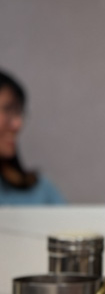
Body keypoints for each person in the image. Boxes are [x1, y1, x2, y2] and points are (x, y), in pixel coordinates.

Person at [0, 70, 66, 205]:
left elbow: (70, 224)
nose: (18, 124)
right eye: (8, 110)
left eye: (18, 112)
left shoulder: (40, 191)